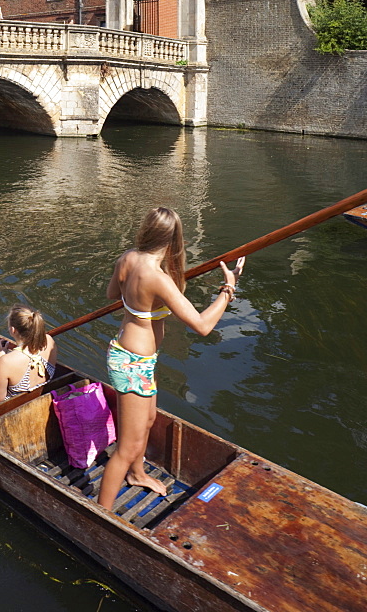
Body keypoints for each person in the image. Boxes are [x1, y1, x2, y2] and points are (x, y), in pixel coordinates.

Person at [97, 207, 244, 511]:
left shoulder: (127, 259)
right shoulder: (157, 278)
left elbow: (113, 293)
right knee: (127, 447)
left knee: (148, 419)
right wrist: (228, 289)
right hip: (133, 363)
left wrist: (137, 297)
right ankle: (101, 513)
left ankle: (137, 475)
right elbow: (202, 326)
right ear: (175, 239)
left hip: (132, 356)